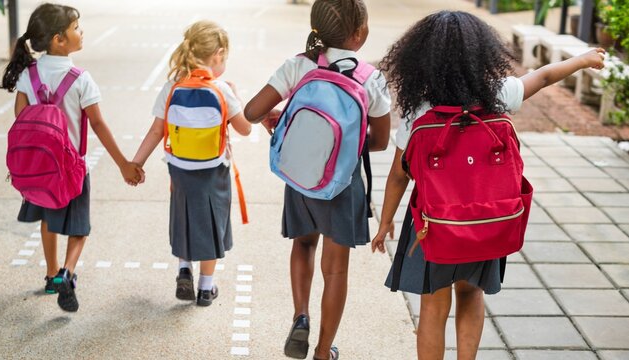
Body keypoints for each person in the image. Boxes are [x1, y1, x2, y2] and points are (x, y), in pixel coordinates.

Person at [370, 10, 605, 360]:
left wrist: (386, 221)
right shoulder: (499, 94)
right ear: (482, 53)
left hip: (433, 224)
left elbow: (399, 174)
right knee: (471, 295)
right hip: (486, 221)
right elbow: (542, 77)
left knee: (433, 307)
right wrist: (583, 59)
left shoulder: (419, 109)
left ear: (422, 58)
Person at [244, 1, 391, 358]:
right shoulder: (370, 78)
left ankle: (300, 317)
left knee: (303, 244)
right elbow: (381, 141)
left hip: (300, 176)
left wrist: (273, 121)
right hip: (342, 184)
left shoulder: (299, 65)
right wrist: (343, 147)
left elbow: (250, 112)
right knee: (337, 268)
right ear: (359, 34)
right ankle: (324, 352)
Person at [1, 3, 143, 312]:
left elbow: (20, 121)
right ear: (58, 40)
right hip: (72, 168)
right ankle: (68, 272)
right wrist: (123, 164)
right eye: (76, 28)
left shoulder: (29, 74)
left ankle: (51, 275)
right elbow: (99, 123)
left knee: (48, 220)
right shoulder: (80, 78)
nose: (81, 32)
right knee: (79, 227)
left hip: (39, 170)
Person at [132, 20, 251, 307]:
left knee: (184, 216)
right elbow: (245, 128)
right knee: (211, 222)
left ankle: (184, 269)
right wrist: (236, 94)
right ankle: (206, 288)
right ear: (218, 54)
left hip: (180, 169)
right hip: (213, 171)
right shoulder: (221, 88)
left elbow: (155, 131)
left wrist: (136, 162)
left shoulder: (172, 86)